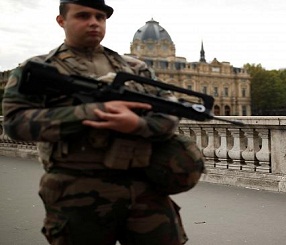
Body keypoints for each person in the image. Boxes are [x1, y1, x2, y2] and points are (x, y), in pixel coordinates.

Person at [2, 1, 202, 244]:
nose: (94, 22)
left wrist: (137, 125)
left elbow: (170, 112)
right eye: (83, 15)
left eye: (100, 17)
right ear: (61, 21)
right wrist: (93, 112)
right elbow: (14, 123)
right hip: (76, 191)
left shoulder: (134, 67)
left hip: (143, 186)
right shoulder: (37, 69)